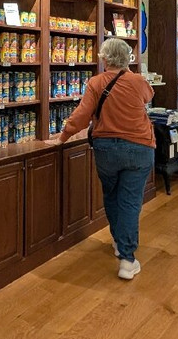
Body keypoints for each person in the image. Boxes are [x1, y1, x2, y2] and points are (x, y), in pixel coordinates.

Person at [46, 38, 154, 280]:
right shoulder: (138, 81)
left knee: (112, 196)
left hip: (106, 148)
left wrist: (62, 138)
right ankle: (127, 259)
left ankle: (118, 242)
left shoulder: (95, 82)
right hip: (139, 146)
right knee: (130, 202)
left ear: (105, 59)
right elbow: (148, 96)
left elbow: (82, 115)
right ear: (127, 59)